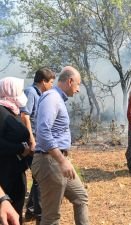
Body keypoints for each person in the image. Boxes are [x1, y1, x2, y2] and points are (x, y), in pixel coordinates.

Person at [31, 66, 89, 225]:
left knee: (81, 197)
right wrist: (62, 161)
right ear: (70, 81)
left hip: (57, 160)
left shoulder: (57, 98)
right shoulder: (52, 98)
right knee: (51, 217)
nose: (78, 90)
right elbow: (43, 131)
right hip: (49, 161)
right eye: (78, 84)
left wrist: (64, 160)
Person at [20, 67, 55, 222]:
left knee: (38, 177)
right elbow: (24, 116)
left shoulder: (40, 94)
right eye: (51, 82)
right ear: (43, 81)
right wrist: (32, 140)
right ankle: (39, 214)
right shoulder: (31, 92)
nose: (52, 86)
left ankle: (32, 211)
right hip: (30, 140)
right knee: (39, 177)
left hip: (37, 140)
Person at [0, 77, 33, 224]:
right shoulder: (1, 112)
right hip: (4, 174)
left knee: (16, 213)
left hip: (16, 170)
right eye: (18, 90)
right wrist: (20, 149)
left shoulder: (12, 109)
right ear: (9, 91)